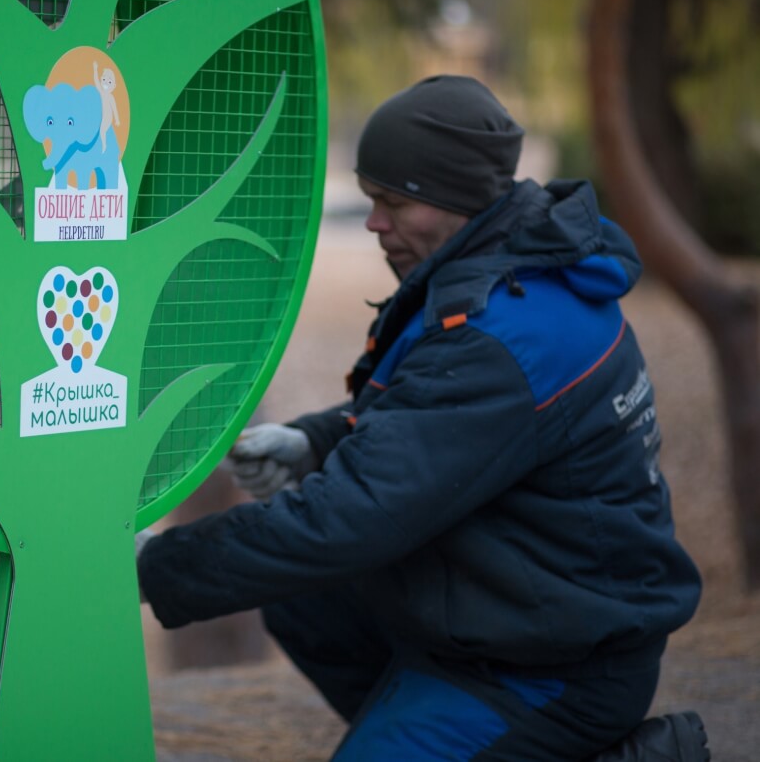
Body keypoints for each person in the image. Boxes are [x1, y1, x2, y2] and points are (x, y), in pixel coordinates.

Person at [136, 75, 709, 761]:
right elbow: (432, 413)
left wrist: (153, 564)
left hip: (556, 667)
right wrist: (315, 441)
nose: (373, 222)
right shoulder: (517, 264)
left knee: (316, 550)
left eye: (393, 202)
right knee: (301, 593)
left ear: (457, 198)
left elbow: (353, 514)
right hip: (512, 605)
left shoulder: (506, 336)